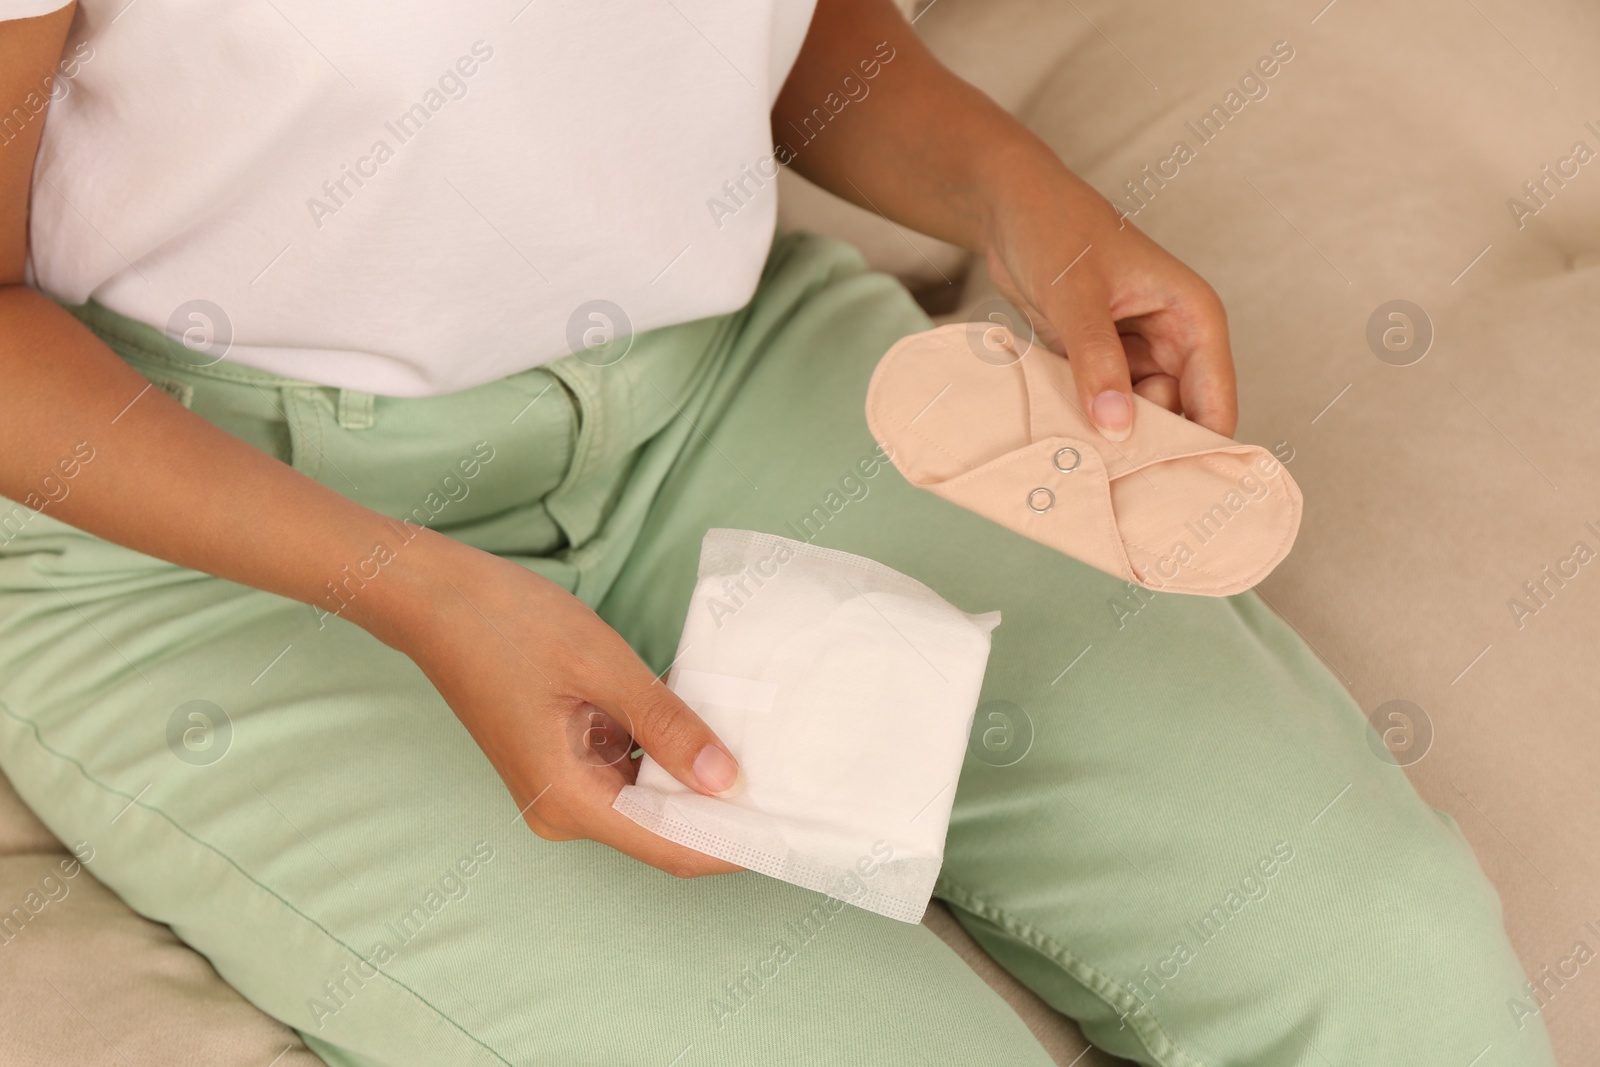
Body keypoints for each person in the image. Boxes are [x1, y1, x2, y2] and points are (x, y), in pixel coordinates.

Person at [0, 1, 1556, 1064]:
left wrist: (1031, 209)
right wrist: (414, 591)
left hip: (728, 376)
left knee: (1391, 973)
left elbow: (789, 36)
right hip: (183, 517)